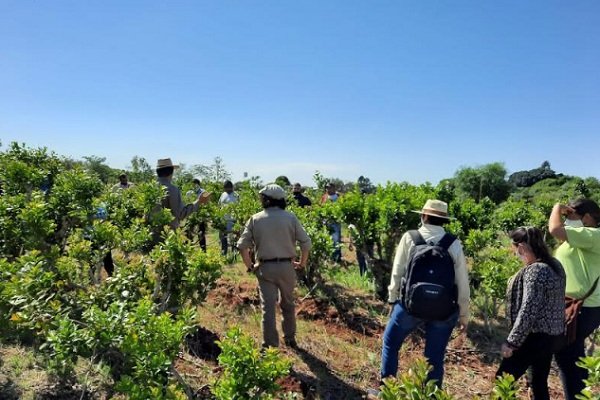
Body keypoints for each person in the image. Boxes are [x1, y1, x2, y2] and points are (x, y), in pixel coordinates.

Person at [380, 199, 469, 387]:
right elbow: (462, 283)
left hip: (409, 306)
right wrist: (463, 316)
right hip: (443, 310)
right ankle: (431, 395)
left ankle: (387, 390)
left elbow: (397, 272)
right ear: (445, 221)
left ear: (423, 216)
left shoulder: (410, 237)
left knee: (390, 344)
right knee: (434, 358)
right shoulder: (453, 243)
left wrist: (392, 299)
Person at [237, 183, 311, 349]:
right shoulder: (291, 218)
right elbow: (306, 243)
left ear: (267, 200)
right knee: (288, 304)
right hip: (287, 267)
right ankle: (290, 338)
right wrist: (302, 263)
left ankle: (270, 345)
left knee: (267, 309)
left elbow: (242, 246)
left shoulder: (256, 219)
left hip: (265, 268)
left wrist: (250, 266)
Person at [496, 227, 566, 400]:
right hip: (551, 337)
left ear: (521, 247)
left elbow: (528, 310)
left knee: (503, 382)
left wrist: (512, 342)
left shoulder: (536, 270)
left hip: (534, 338)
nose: (515, 254)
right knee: (538, 382)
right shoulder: (554, 265)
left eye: (514, 249)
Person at [548, 199, 600, 400]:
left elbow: (554, 229)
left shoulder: (593, 235)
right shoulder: (580, 238)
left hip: (583, 307)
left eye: (570, 215)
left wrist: (557, 207)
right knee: (574, 355)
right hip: (573, 305)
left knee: (566, 356)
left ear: (587, 217)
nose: (566, 219)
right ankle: (583, 395)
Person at [156, 158, 210, 230]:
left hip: (150, 234)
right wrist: (199, 201)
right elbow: (181, 214)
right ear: (171, 172)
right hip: (167, 235)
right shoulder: (172, 189)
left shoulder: (149, 189)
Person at [320, 182, 342, 262]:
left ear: (334, 188)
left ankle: (337, 257)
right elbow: (320, 207)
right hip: (326, 221)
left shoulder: (338, 197)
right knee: (327, 238)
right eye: (327, 188)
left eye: (330, 187)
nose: (328, 189)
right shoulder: (324, 197)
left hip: (336, 221)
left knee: (336, 239)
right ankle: (329, 256)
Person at [218, 180, 239, 255]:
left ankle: (234, 252)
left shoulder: (236, 195)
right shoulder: (223, 194)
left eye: (229, 188)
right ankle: (224, 252)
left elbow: (239, 208)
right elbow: (219, 206)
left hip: (233, 220)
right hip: (223, 220)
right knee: (223, 237)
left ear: (231, 187)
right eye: (226, 188)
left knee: (233, 237)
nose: (227, 190)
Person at [188, 178, 208, 251]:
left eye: (195, 184)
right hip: (191, 215)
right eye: (192, 185)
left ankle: (203, 250)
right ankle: (189, 249)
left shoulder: (204, 192)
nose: (194, 186)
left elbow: (206, 204)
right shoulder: (189, 193)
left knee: (201, 232)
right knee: (189, 232)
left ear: (198, 184)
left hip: (200, 215)